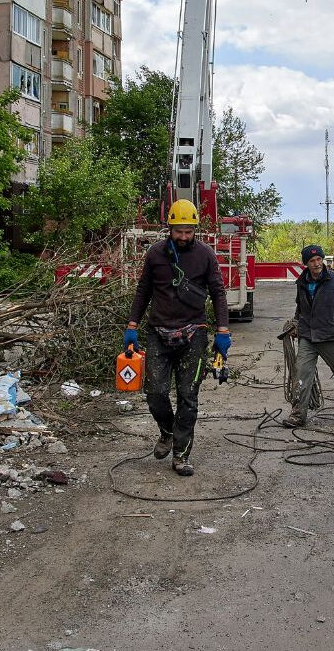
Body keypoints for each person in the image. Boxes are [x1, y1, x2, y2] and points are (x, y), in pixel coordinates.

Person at [125, 199, 230, 477]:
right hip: (158, 333)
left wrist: (223, 331)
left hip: (193, 335)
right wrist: (132, 325)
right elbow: (143, 290)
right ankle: (167, 431)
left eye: (188, 231)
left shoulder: (205, 255)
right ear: (169, 227)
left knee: (188, 396)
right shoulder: (156, 254)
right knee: (155, 393)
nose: (184, 236)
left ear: (195, 229)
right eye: (178, 231)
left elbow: (218, 293)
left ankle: (181, 456)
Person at [283, 244, 334, 427]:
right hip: (308, 337)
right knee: (302, 374)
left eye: (319, 259)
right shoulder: (302, 283)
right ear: (306, 264)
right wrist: (295, 324)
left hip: (331, 336)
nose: (317, 263)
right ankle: (298, 415)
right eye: (312, 261)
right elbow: (300, 308)